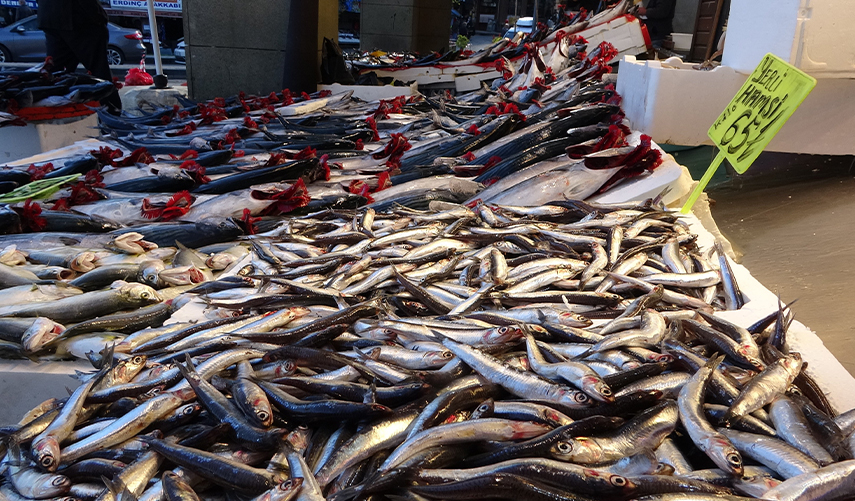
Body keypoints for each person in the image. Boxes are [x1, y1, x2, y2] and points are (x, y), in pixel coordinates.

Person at [37, 0, 122, 113]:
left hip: (50, 15)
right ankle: (113, 115)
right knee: (98, 70)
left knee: (56, 73)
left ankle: (55, 116)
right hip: (80, 17)